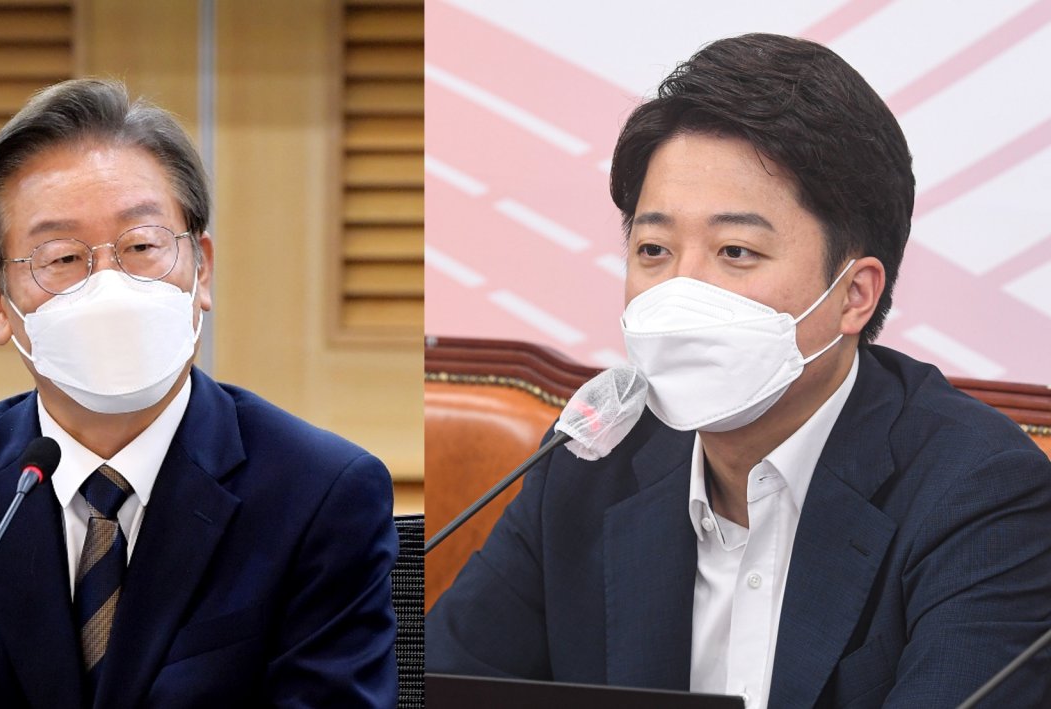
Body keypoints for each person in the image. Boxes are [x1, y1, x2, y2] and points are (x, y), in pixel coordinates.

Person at [426, 33, 1051, 708]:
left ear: (854, 294)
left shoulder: (982, 494)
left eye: (736, 251)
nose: (681, 290)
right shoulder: (589, 461)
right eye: (654, 248)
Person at [0, 79, 398, 708]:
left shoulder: (320, 494)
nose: (110, 288)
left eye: (141, 247)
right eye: (62, 258)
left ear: (201, 269)